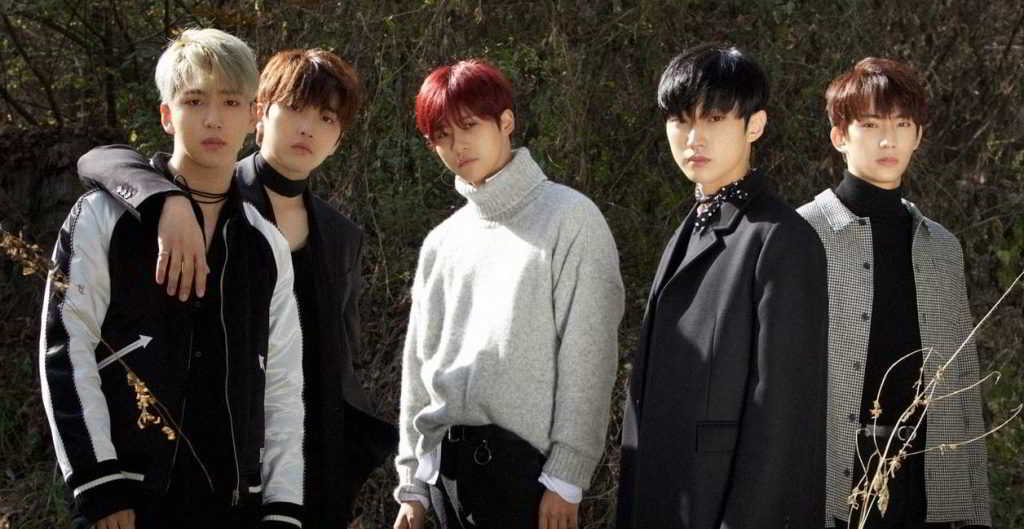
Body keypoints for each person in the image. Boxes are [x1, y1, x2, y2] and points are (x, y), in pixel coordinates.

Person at [76, 48, 398, 528]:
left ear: (339, 138)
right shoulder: (216, 190)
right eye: (294, 108)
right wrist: (166, 200)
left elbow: (340, 349)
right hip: (213, 451)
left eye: (326, 117)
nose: (307, 128)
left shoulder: (341, 234)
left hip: (314, 451)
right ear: (259, 114)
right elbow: (102, 160)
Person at [40, 28, 305, 529]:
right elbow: (66, 346)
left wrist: (283, 506)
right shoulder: (102, 217)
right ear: (166, 115)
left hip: (234, 507)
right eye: (195, 100)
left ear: (253, 116)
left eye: (231, 102)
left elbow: (283, 388)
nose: (213, 118)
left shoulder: (265, 244)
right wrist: (98, 482)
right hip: (126, 498)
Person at [391, 59, 625, 529]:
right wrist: (412, 484)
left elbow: (590, 354)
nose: (457, 146)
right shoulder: (442, 241)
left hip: (525, 474)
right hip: (443, 476)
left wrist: (567, 476)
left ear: (506, 122)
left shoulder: (570, 219)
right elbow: (418, 368)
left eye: (469, 126)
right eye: (441, 135)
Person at [616, 43, 829, 529]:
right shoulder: (687, 230)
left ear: (754, 125)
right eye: (681, 120)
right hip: (661, 499)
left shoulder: (782, 239)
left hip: (722, 507)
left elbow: (782, 415)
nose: (694, 138)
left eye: (714, 118)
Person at [797, 57, 991, 529]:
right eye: (870, 124)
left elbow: (963, 381)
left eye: (903, 124)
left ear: (918, 135)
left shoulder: (942, 247)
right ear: (839, 136)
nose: (889, 140)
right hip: (829, 482)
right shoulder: (802, 234)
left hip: (929, 484)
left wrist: (975, 509)